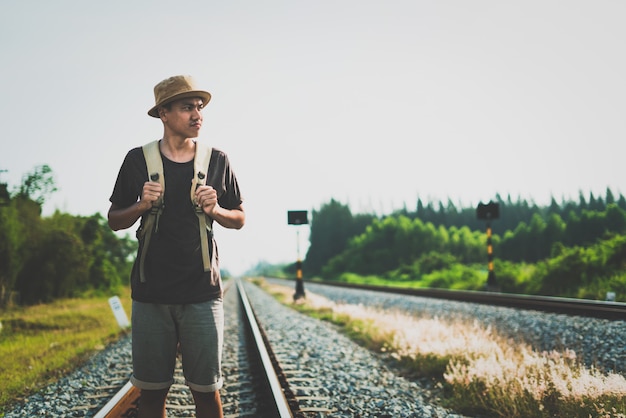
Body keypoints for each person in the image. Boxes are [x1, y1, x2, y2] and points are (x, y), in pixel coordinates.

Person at [107, 75, 245, 418]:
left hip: (202, 293)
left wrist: (216, 210)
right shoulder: (137, 160)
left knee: (207, 392)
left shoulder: (218, 160)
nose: (197, 114)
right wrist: (141, 205)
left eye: (199, 107)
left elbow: (240, 218)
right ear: (164, 114)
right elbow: (114, 219)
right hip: (151, 294)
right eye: (187, 108)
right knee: (152, 395)